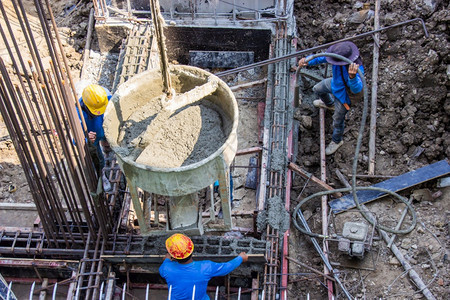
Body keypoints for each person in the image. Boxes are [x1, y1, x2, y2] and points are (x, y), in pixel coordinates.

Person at [298, 41, 364, 155]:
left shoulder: (356, 67)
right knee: (317, 89)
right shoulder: (336, 57)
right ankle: (329, 104)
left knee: (338, 121)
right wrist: (307, 60)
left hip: (344, 96)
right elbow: (321, 58)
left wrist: (352, 77)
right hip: (335, 84)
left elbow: (357, 89)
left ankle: (337, 141)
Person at [159, 233, 248, 300]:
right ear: (192, 249)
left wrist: (167, 260)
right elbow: (225, 268)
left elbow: (163, 269)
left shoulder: (166, 268)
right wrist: (240, 258)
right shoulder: (205, 267)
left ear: (173, 256)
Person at [77, 84, 112, 175]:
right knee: (98, 158)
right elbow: (76, 140)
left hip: (106, 127)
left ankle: (106, 148)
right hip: (94, 138)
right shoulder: (79, 114)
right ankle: (102, 174)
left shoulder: (104, 95)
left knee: (108, 142)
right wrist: (86, 139)